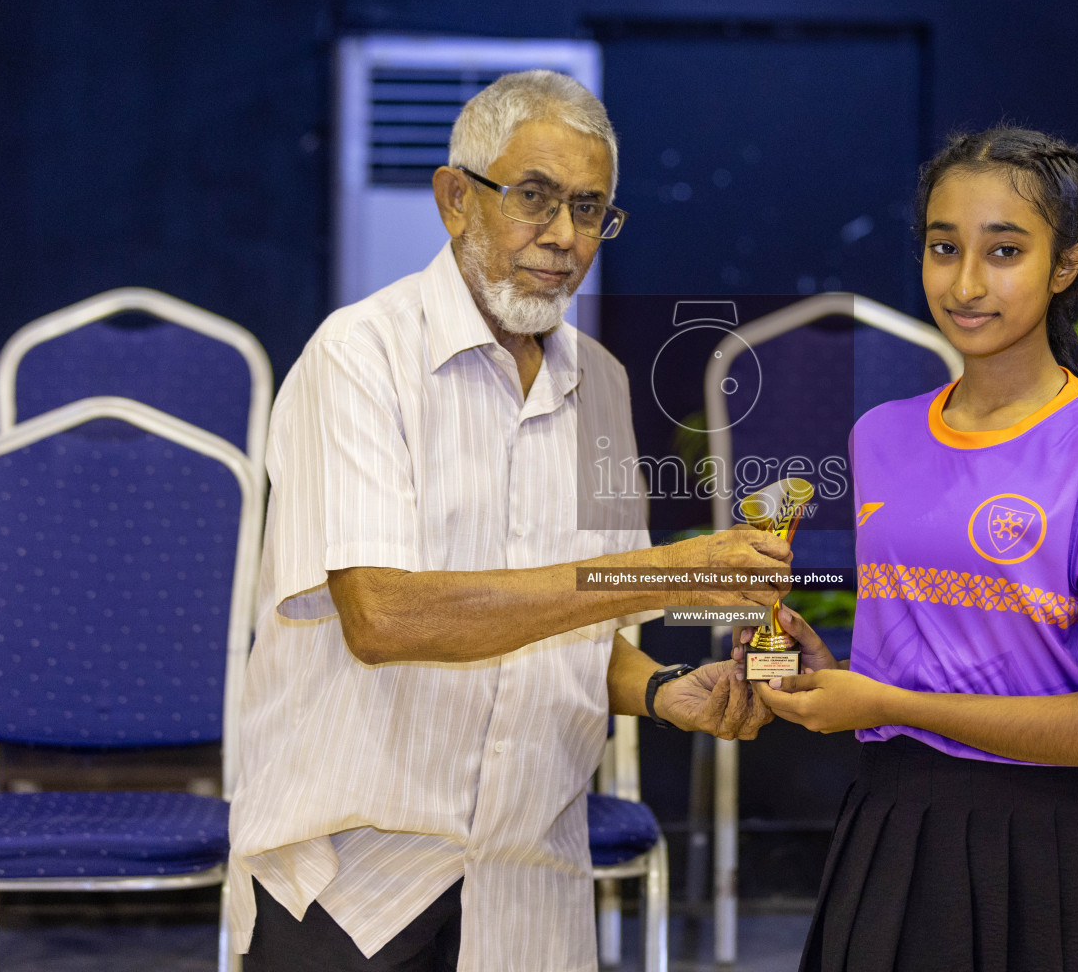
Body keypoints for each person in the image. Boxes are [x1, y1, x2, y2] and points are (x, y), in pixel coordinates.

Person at [227, 70, 782, 972]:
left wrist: (662, 690)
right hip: (357, 881)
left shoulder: (599, 383)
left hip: (533, 887)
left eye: (591, 209)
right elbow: (384, 616)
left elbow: (573, 629)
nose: (563, 237)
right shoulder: (358, 358)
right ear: (456, 199)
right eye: (534, 198)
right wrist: (669, 574)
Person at [747, 126, 1078, 972]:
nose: (966, 282)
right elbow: (933, 651)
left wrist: (890, 705)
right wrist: (825, 666)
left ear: (1065, 267)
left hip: (1063, 848)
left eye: (1006, 251)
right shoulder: (880, 435)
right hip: (898, 830)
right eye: (944, 247)